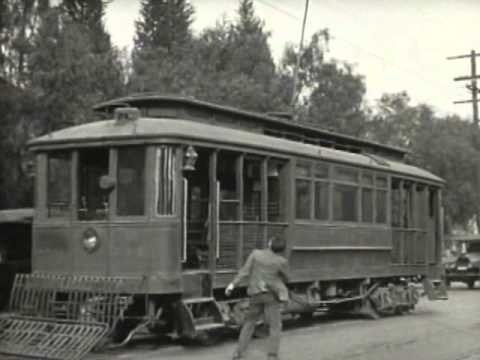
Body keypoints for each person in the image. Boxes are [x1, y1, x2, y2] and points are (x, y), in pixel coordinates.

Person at [225, 236, 289, 360]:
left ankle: (238, 353)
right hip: (271, 296)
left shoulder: (256, 254)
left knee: (249, 323)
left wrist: (232, 285)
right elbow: (287, 278)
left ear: (270, 244)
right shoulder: (281, 261)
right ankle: (272, 355)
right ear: (281, 249)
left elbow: (244, 272)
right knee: (275, 326)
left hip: (255, 294)